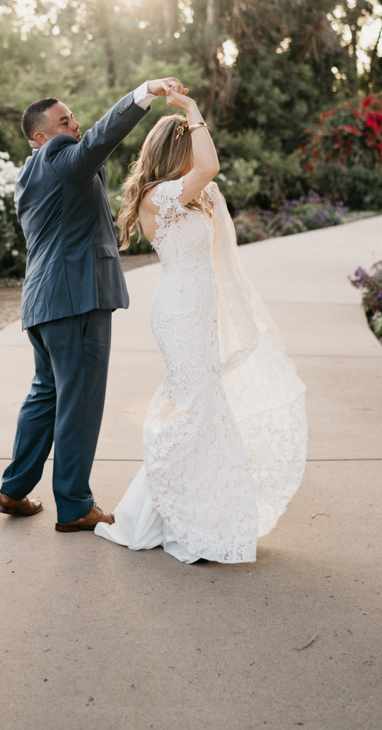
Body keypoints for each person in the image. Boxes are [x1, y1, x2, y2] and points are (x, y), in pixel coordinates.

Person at [95, 88, 308, 563]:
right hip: (179, 312)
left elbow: (211, 195)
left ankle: (193, 511)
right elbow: (209, 166)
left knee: (202, 408)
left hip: (198, 309)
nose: (197, 152)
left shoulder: (191, 197)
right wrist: (191, 110)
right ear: (179, 150)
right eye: (191, 143)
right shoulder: (160, 195)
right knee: (191, 409)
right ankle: (178, 515)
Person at [0, 77, 187, 533]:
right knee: (79, 402)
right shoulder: (57, 158)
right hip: (75, 298)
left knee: (47, 395)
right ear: (41, 138)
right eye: (64, 121)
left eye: (73, 116)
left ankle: (13, 489)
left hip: (45, 302)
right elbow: (99, 140)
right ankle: (76, 505)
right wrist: (142, 94)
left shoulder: (30, 173)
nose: (75, 124)